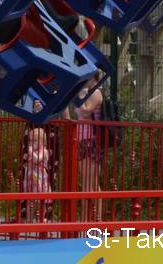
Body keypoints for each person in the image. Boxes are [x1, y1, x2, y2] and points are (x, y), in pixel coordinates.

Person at [70, 73, 104, 220]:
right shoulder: (88, 92)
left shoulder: (95, 92)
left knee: (88, 183)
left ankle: (86, 219)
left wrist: (80, 95)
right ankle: (96, 219)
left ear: (93, 78)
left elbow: (85, 111)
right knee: (90, 182)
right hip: (84, 139)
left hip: (92, 140)